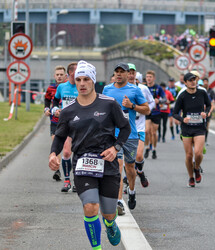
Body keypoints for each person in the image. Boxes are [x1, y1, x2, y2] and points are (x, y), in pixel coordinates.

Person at [49, 60, 131, 249]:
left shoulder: (109, 104)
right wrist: (53, 153)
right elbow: (60, 136)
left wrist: (115, 148)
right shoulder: (68, 111)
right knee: (91, 206)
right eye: (78, 79)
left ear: (93, 81)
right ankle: (96, 248)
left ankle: (110, 224)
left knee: (109, 213)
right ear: (74, 81)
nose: (82, 83)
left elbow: (125, 128)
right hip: (82, 164)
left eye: (86, 79)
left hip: (108, 163)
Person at [103, 62, 150, 214]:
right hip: (112, 135)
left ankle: (131, 189)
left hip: (130, 135)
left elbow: (147, 109)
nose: (118, 74)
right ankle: (118, 201)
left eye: (121, 72)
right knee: (118, 167)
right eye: (116, 71)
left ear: (127, 74)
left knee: (130, 167)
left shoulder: (134, 90)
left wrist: (132, 106)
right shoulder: (107, 89)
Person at [173, 72, 211, 187]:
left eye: (194, 79)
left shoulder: (202, 92)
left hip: (199, 127)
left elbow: (209, 105)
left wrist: (206, 113)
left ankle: (197, 168)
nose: (193, 82)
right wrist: (182, 119)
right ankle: (191, 177)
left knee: (198, 153)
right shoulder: (182, 95)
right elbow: (174, 113)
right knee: (189, 155)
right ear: (185, 83)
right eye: (190, 80)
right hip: (187, 128)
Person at [52, 62, 78, 192]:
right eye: (75, 73)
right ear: (69, 74)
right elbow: (55, 100)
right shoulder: (62, 87)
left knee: (78, 153)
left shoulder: (83, 86)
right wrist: (55, 109)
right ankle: (67, 180)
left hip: (80, 125)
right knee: (67, 152)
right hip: (66, 124)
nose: (78, 76)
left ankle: (76, 181)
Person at [44, 65, 67, 181]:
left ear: (65, 76)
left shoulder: (69, 87)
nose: (59, 77)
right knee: (55, 143)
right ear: (54, 76)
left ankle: (69, 167)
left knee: (68, 149)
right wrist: (46, 109)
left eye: (61, 75)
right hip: (54, 120)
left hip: (68, 122)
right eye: (57, 75)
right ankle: (57, 170)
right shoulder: (51, 88)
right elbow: (47, 100)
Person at [144, 70, 166, 159]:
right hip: (147, 112)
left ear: (154, 78)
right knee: (146, 131)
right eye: (147, 77)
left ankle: (154, 149)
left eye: (150, 77)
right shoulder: (144, 87)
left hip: (156, 112)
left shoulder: (158, 88)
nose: (148, 78)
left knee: (153, 133)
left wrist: (159, 101)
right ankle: (147, 147)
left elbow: (165, 99)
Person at [203, 77, 215, 145]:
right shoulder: (201, 91)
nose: (205, 83)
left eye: (206, 82)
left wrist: (210, 111)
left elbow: (213, 103)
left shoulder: (211, 91)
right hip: (200, 112)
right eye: (204, 82)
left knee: (207, 127)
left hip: (208, 111)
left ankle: (206, 140)